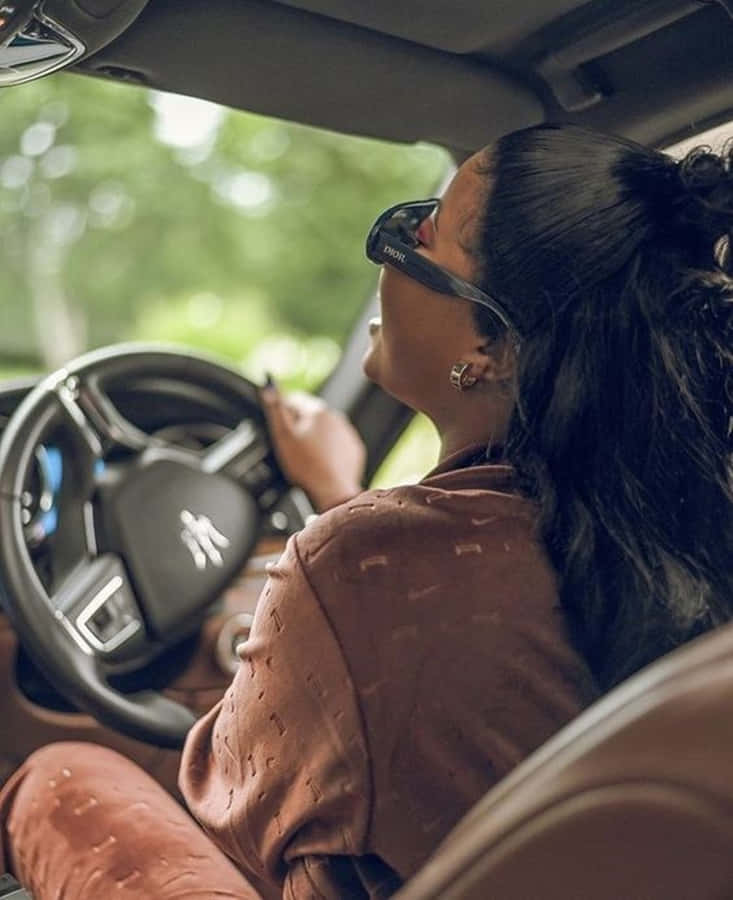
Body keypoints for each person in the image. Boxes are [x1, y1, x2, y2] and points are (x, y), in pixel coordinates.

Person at [0, 124, 731, 898]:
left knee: (64, 775)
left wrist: (329, 539)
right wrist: (335, 499)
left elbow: (230, 816)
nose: (384, 252)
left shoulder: (360, 565)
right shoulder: (688, 524)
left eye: (418, 234)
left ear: (493, 351)